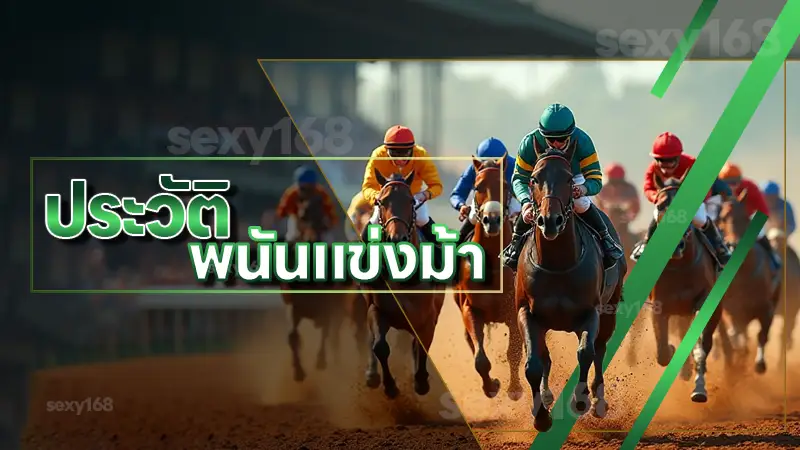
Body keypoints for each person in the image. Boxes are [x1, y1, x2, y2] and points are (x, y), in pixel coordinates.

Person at [501, 103, 624, 271]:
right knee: (529, 211)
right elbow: (519, 179)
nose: (556, 143)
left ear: (571, 134)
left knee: (580, 203)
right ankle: (515, 246)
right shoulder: (529, 143)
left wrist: (583, 189)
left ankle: (606, 240)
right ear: (542, 134)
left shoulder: (583, 141)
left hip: (572, 176)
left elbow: (595, 179)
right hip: (542, 180)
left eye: (562, 139)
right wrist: (525, 201)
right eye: (550, 139)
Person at [638, 132, 732, 265]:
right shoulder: (653, 168)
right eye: (661, 161)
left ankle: (720, 248)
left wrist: (691, 200)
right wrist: (657, 197)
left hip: (690, 201)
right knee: (657, 214)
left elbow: (705, 188)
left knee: (700, 219)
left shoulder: (692, 164)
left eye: (670, 162)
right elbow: (648, 188)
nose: (665, 168)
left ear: (678, 157)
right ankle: (646, 244)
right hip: (666, 202)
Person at [361, 125, 444, 245]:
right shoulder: (378, 155)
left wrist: (424, 195)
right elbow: (367, 187)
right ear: (386, 150)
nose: (400, 159)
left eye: (405, 153)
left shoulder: (420, 155)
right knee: (373, 223)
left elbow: (437, 185)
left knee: (422, 219)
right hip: (387, 201)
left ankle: (442, 253)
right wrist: (377, 196)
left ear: (412, 149)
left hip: (412, 199)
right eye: (394, 154)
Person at [449, 137, 519, 246]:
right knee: (472, 217)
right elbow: (457, 194)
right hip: (483, 202)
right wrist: (461, 205)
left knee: (522, 216)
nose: (490, 165)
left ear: (503, 161)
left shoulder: (515, 166)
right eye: (485, 163)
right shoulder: (474, 168)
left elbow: (529, 188)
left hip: (510, 198)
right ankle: (456, 247)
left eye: (496, 162)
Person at [719, 163, 781, 270]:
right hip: (725, 219)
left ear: (740, 181)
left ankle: (773, 258)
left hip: (747, 219)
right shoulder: (716, 189)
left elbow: (763, 212)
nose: (730, 187)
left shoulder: (750, 187)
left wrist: (751, 233)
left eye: (734, 183)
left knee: (761, 234)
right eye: (726, 183)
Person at [276, 165, 338, 242]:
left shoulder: (322, 194)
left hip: (318, 222)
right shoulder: (291, 194)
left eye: (310, 189)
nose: (306, 192)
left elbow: (332, 217)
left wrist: (324, 226)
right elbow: (281, 213)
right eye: (303, 188)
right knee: (292, 236)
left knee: (328, 239)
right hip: (297, 220)